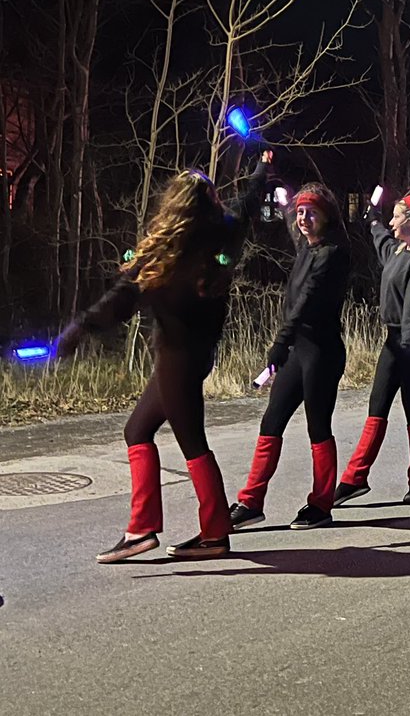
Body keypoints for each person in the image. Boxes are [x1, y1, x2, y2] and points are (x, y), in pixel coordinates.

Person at [55, 152, 270, 563]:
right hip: (194, 356)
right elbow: (244, 205)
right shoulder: (222, 235)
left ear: (174, 205)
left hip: (177, 360)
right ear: (207, 203)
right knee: (137, 430)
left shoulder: (165, 256)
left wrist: (78, 329)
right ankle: (145, 529)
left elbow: (121, 299)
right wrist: (260, 171)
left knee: (193, 444)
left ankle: (210, 534)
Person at [230, 183, 351, 531]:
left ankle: (321, 503)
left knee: (318, 427)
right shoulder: (306, 249)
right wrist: (268, 172)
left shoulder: (331, 254)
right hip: (299, 351)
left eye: (311, 211)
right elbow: (286, 216)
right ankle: (251, 502)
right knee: (271, 422)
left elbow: (306, 302)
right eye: (300, 212)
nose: (303, 217)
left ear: (327, 216)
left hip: (322, 354)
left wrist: (280, 342)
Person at [333, 190, 410, 508]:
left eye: (396, 216)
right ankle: (355, 479)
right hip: (394, 340)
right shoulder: (396, 252)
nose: (392, 222)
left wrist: (406, 345)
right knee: (376, 407)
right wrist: (372, 218)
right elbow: (380, 238)